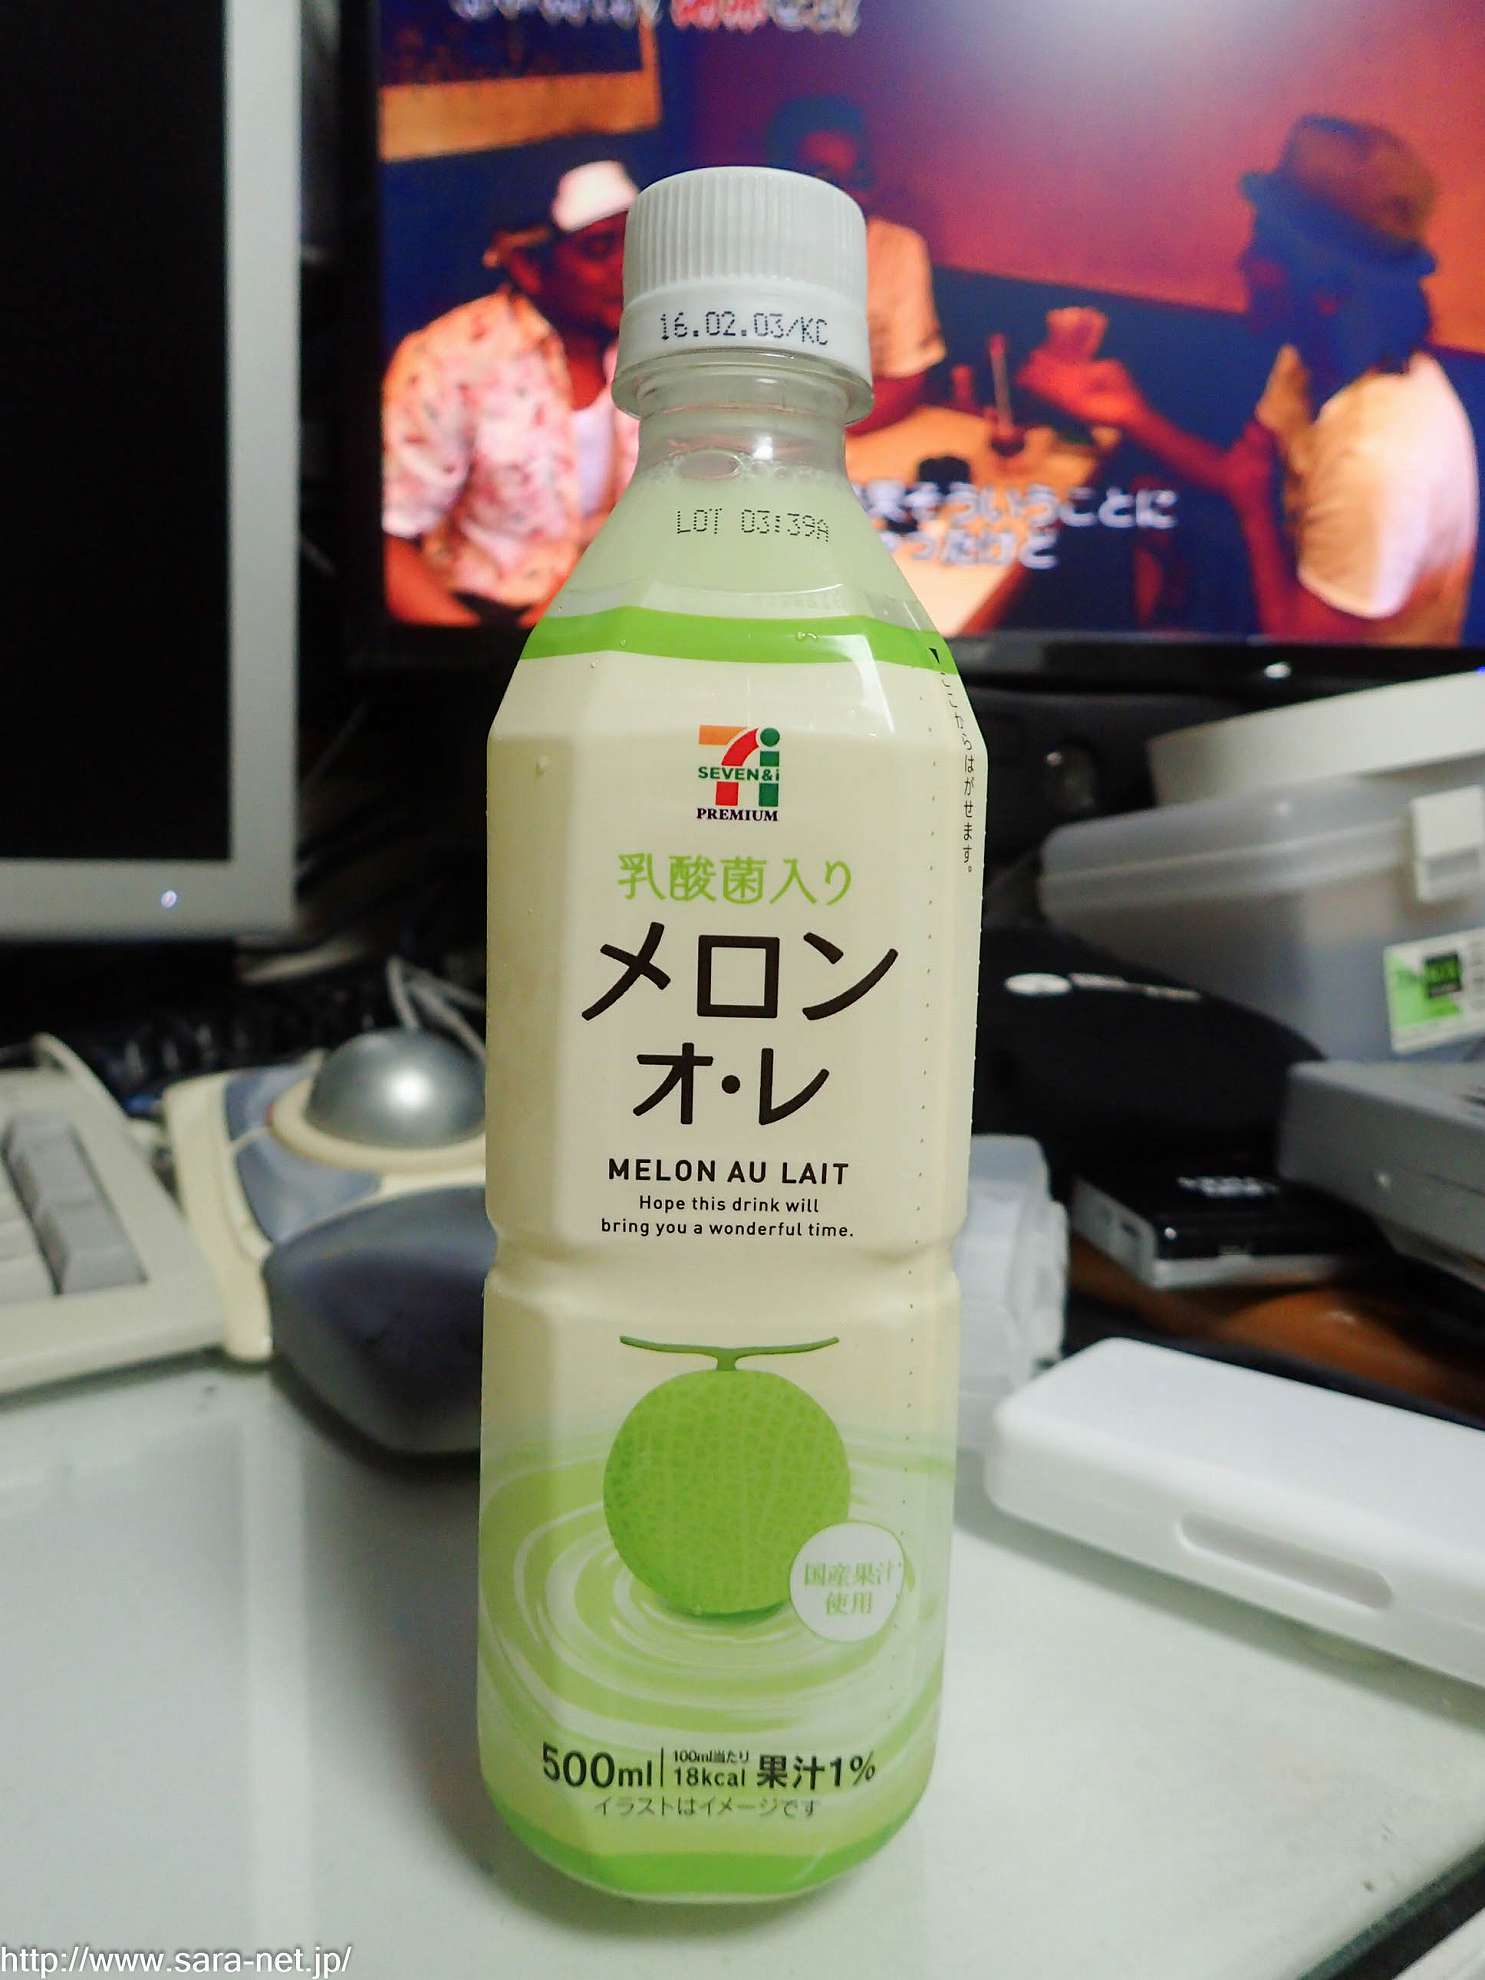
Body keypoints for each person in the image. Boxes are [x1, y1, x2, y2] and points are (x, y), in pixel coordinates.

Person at [1020, 117, 1479, 645]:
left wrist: (1256, 512)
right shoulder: (1313, 359)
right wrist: (1129, 412)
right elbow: (1239, 473)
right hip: (1292, 595)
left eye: (1264, 251)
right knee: (1148, 501)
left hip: (1348, 684)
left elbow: (1299, 655)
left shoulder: (1379, 459)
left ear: (1327, 289)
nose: (1242, 263)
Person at [382, 160, 640, 628]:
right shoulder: (448, 360)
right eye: (600, 249)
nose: (629, 266)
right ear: (528, 267)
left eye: (635, 241)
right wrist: (486, 655)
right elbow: (388, 541)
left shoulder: (670, 341)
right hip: (487, 621)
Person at [766, 96, 945, 435]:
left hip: (853, 438)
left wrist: (816, 440)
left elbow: (906, 382)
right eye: (826, 179)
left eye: (859, 178)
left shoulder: (899, 249)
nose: (847, 196)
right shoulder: (752, 250)